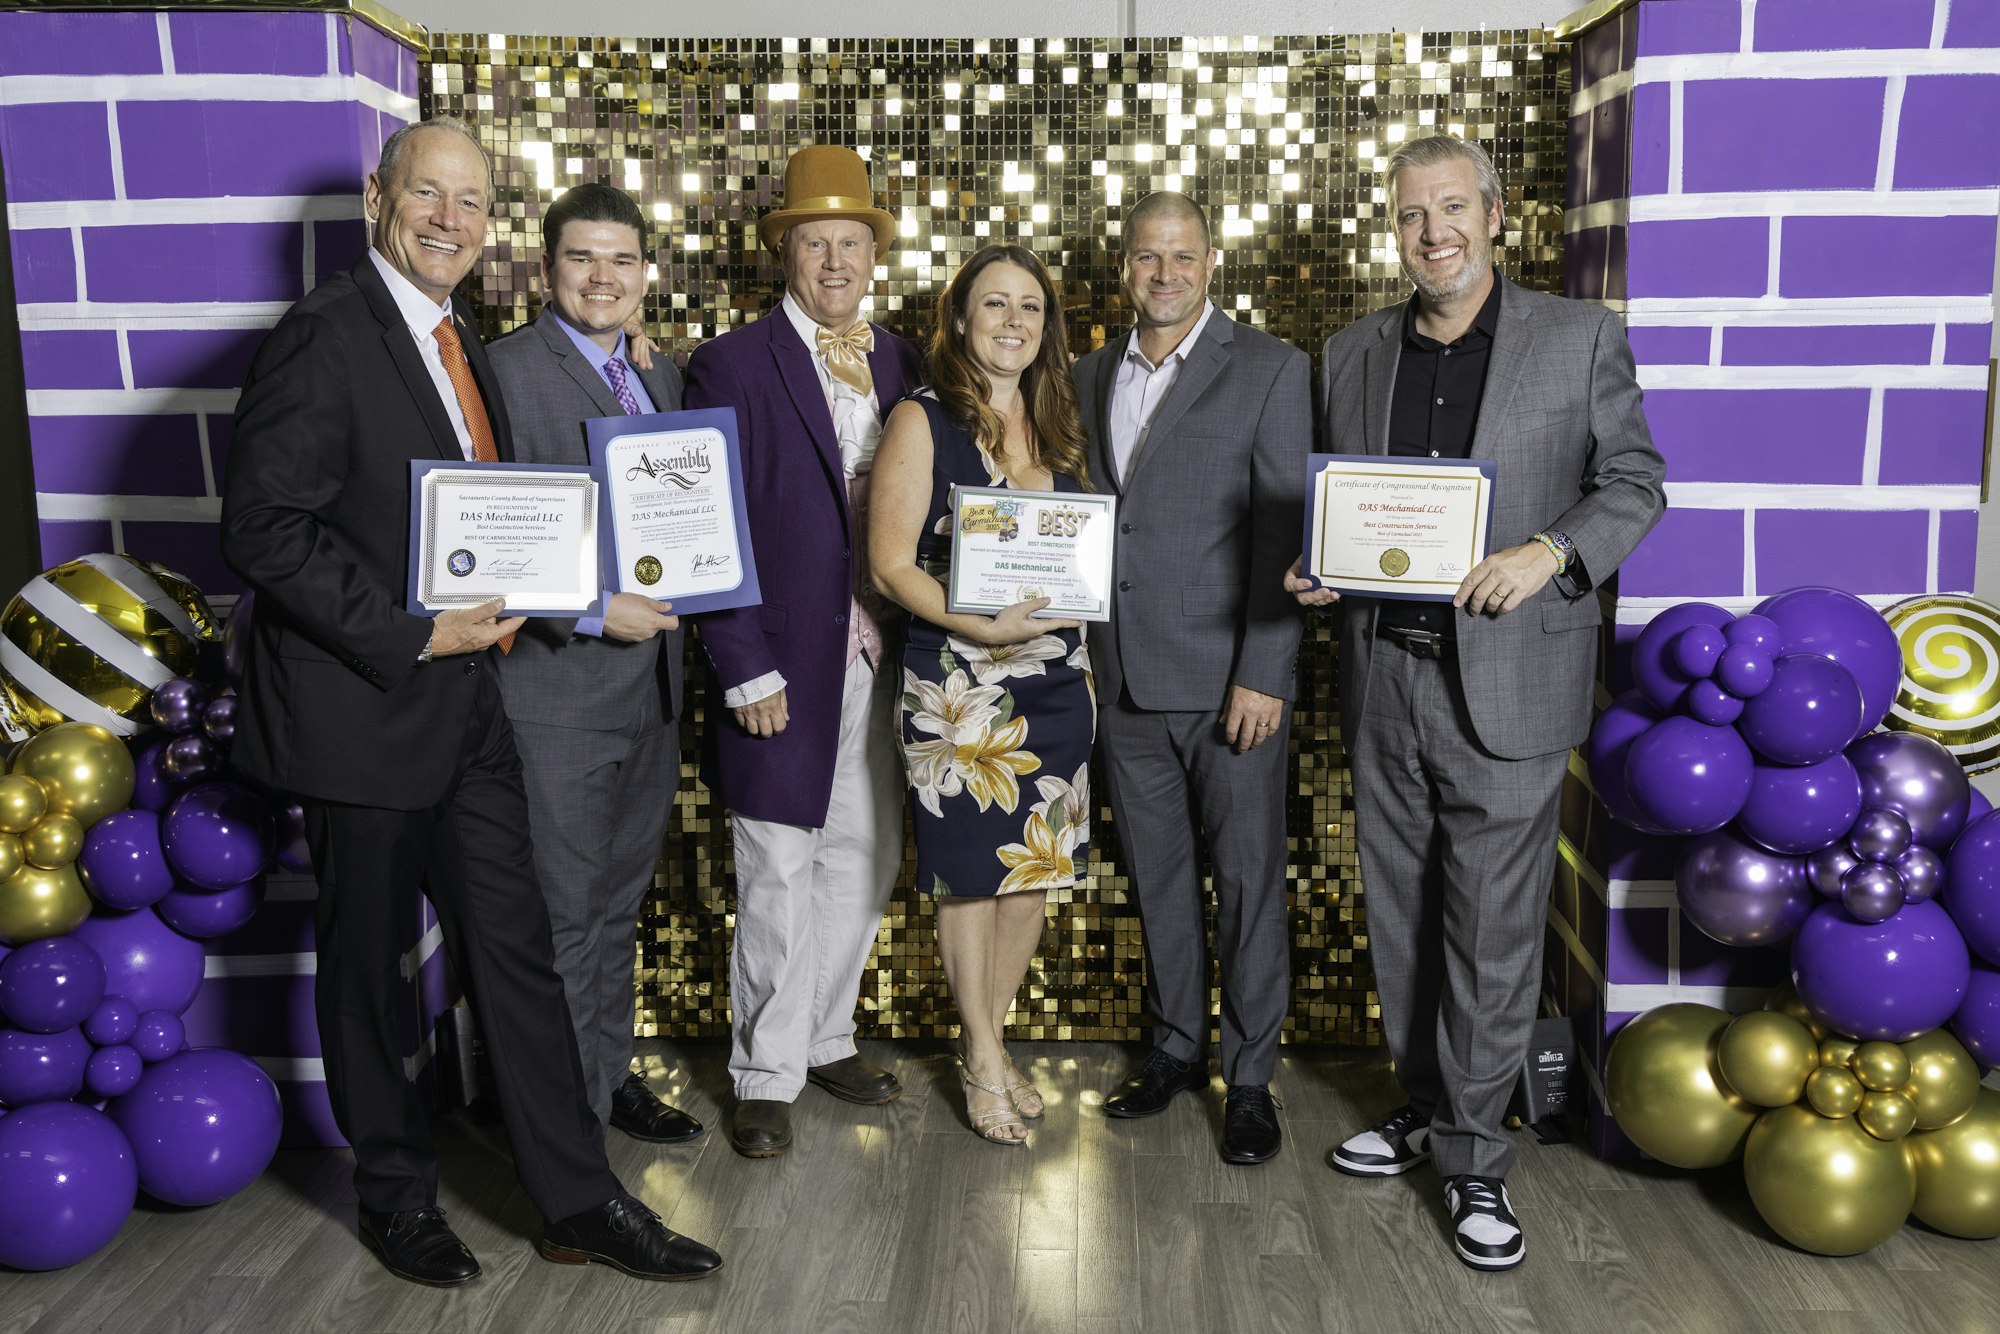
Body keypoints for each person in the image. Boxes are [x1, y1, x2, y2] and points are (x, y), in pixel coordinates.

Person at [222, 118, 721, 1286]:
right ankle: (395, 1195)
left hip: (471, 711)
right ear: (377, 197)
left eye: (469, 202)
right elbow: (261, 527)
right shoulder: (325, 335)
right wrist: (410, 627)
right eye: (426, 195)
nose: (449, 218)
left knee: (521, 955)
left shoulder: (457, 345)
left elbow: (500, 520)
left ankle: (575, 1196)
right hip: (364, 712)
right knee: (369, 972)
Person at [1288, 134, 1666, 1271]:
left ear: (1494, 216)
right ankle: (1424, 1105)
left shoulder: (1576, 336)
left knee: (1492, 933)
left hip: (1506, 678)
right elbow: (1344, 506)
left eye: (1451, 209)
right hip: (1382, 676)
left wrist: (1548, 551)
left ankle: (1473, 1157)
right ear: (1391, 228)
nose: (1431, 232)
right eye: (1410, 215)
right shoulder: (1350, 351)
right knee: (1400, 917)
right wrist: (1316, 568)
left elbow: (1634, 482)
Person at [682, 144, 924, 1158]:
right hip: (780, 660)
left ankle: (825, 1035)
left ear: (874, 252)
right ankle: (764, 1073)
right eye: (815, 241)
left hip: (889, 652)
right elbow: (705, 523)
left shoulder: (904, 357)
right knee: (777, 862)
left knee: (862, 855)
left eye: (852, 242)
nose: (834, 260)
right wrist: (740, 659)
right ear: (785, 251)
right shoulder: (729, 363)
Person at [1073, 192, 1311, 1165]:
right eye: (1144, 257)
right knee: (1157, 877)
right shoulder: (1088, 373)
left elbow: (1283, 529)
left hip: (1229, 686)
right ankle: (1175, 1044)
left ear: (1211, 260)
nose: (1161, 274)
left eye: (1180, 256)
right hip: (1121, 675)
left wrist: (1264, 671)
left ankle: (1248, 1077)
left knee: (1249, 882)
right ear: (1121, 266)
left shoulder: (1269, 368)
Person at [486, 183, 702, 1147]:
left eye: (622, 260)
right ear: (547, 269)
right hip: (555, 698)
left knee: (617, 910)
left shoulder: (662, 378)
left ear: (647, 274)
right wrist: (583, 608)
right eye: (582, 259)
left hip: (652, 695)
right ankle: (563, 1129)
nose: (602, 278)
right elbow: (476, 541)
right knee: (564, 921)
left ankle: (607, 1079)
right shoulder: (500, 374)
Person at [868, 244, 1095, 1145]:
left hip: (1055, 682)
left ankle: (989, 1047)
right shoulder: (922, 421)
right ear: (959, 320)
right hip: (957, 688)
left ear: (1048, 327)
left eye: (1029, 308)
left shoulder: (1062, 425)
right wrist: (977, 626)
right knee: (970, 880)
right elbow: (888, 565)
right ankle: (983, 1057)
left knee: (1032, 875)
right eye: (993, 305)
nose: (1012, 323)